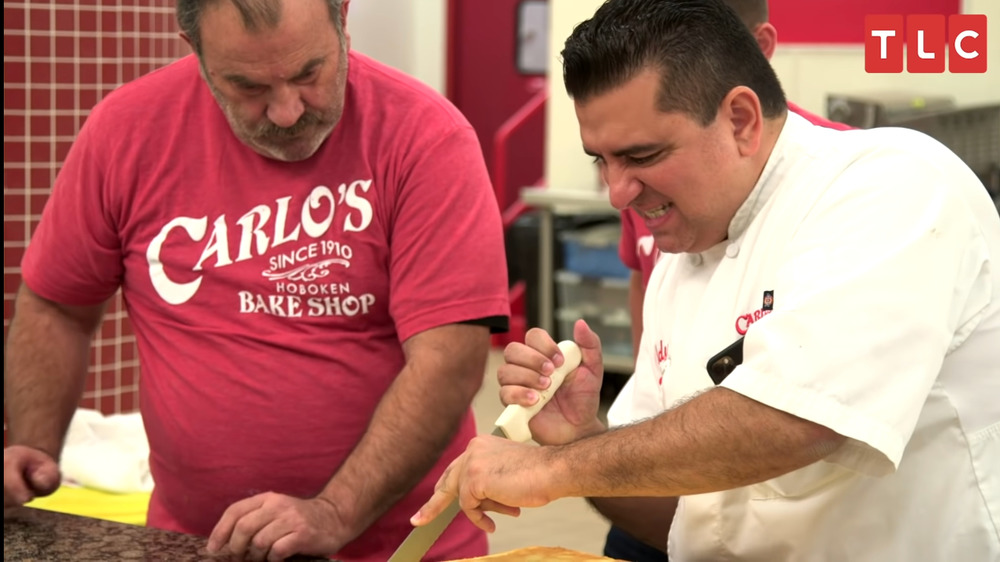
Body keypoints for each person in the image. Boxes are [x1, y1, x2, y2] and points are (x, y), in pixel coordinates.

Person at [411, 0, 1000, 560]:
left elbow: (795, 420)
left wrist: (548, 470)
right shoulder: (682, 255)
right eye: (601, 160)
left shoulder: (894, 185)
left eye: (640, 156)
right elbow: (678, 520)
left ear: (740, 119)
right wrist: (579, 439)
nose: (617, 192)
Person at [3, 1, 510, 561]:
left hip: (405, 548)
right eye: (248, 86)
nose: (288, 111)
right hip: (194, 543)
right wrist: (33, 445)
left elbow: (448, 360)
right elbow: (56, 306)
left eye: (308, 74)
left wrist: (335, 510)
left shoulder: (425, 136)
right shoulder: (126, 131)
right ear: (193, 49)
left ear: (343, 17)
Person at [609, 1, 854, 558]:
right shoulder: (652, 186)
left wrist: (558, 463)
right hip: (667, 470)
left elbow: (799, 412)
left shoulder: (845, 184)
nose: (619, 189)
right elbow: (643, 281)